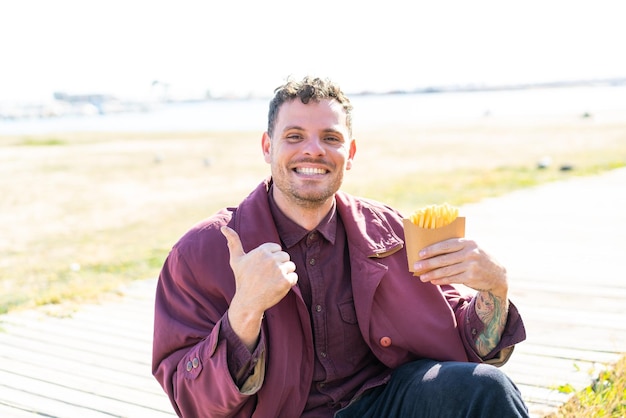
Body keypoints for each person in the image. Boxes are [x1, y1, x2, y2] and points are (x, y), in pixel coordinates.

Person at [152, 76, 529, 417]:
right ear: (268, 147)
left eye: (330, 138)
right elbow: (191, 401)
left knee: (486, 389)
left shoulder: (393, 233)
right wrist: (245, 310)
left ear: (349, 154)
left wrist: (494, 289)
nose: (313, 150)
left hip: (383, 404)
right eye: (295, 136)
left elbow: (466, 339)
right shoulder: (201, 252)